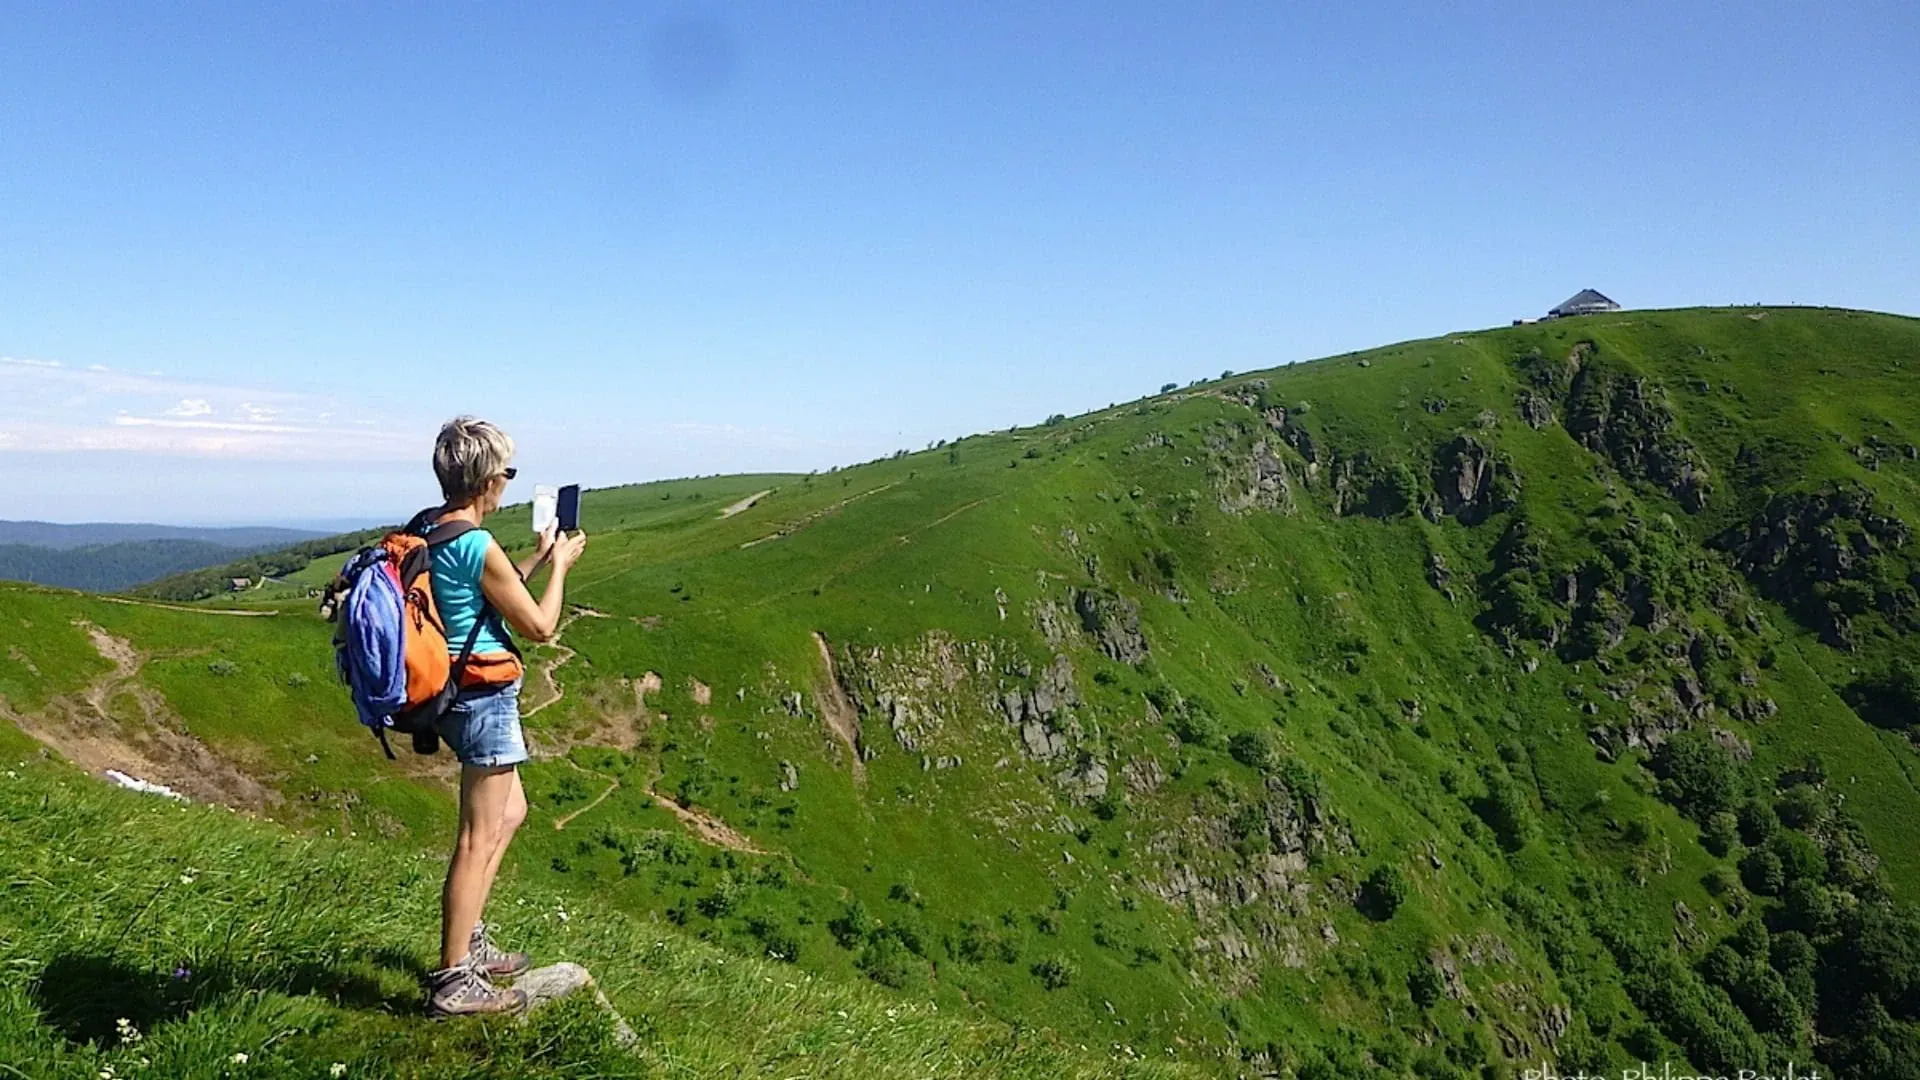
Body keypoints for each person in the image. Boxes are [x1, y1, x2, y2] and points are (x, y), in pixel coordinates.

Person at [421, 416, 587, 1017]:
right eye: (507, 473)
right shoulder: (476, 542)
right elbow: (539, 627)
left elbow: (484, 592)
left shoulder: (435, 530)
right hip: (483, 697)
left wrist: (538, 559)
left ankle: (468, 942)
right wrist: (563, 566)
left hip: (454, 691)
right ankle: (452, 980)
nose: (508, 483)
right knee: (476, 836)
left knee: (511, 812)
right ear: (488, 479)